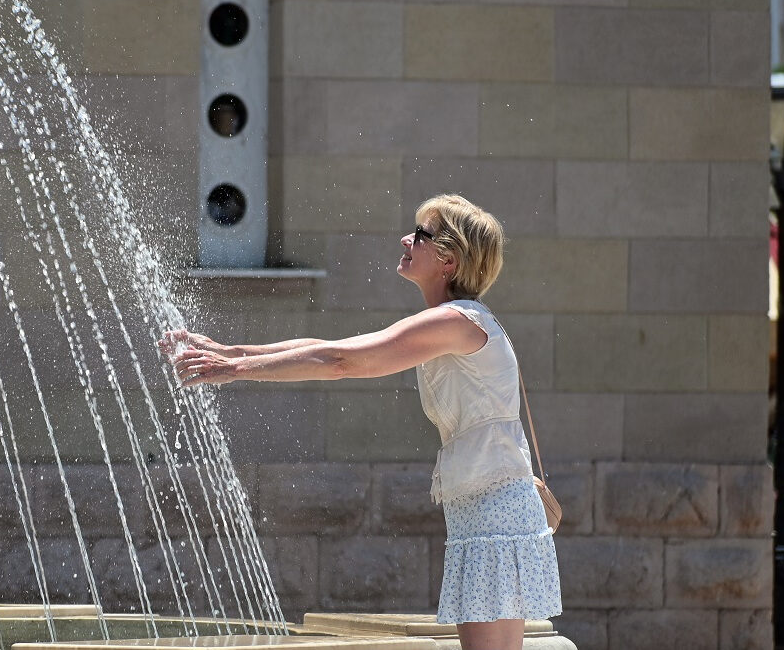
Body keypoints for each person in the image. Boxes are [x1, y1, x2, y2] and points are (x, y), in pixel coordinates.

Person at [159, 194, 561, 650]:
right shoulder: (451, 322)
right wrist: (231, 352)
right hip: (488, 508)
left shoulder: (457, 321)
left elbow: (341, 361)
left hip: (496, 513)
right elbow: (334, 345)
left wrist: (235, 371)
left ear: (448, 259)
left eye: (422, 234)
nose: (406, 239)